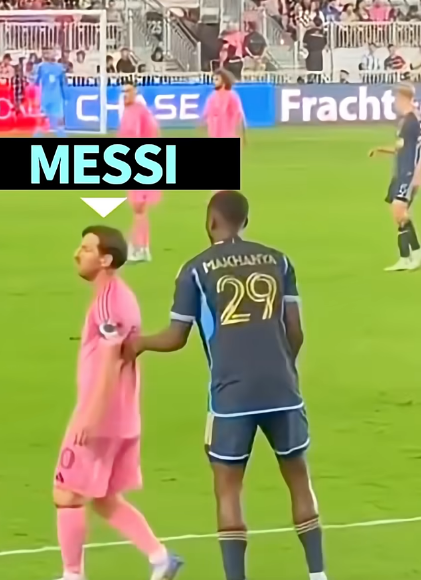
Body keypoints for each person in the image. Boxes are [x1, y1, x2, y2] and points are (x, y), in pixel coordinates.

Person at [124, 191, 328, 580]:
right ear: (245, 222)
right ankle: (318, 575)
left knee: (228, 488)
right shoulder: (279, 260)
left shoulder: (195, 270)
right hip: (283, 389)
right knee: (299, 479)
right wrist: (283, 367)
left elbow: (176, 336)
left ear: (211, 221)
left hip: (231, 394)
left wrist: (138, 344)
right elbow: (296, 330)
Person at [53, 225, 182, 580]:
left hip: (102, 416)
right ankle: (160, 557)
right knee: (105, 498)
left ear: (105, 259)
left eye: (86, 249)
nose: (78, 254)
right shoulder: (116, 296)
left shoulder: (111, 301)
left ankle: (72, 575)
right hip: (122, 415)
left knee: (67, 493)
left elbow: (111, 360)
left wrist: (89, 416)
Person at [369, 83, 421, 271]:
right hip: (400, 171)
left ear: (403, 98)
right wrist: (382, 150)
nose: (395, 102)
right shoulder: (407, 120)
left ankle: (413, 255)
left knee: (400, 211)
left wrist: (417, 175)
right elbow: (402, 146)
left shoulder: (412, 121)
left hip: (408, 172)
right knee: (398, 213)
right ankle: (407, 257)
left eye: (396, 98)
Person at [118, 82, 161, 263]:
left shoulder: (139, 112)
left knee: (139, 208)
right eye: (123, 92)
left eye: (128, 91)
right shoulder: (130, 112)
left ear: (135, 92)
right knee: (139, 209)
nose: (125, 95)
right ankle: (141, 247)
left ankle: (139, 248)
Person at [34, 47, 67, 137]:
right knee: (41, 119)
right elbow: (36, 83)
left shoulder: (60, 68)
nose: (50, 54)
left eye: (52, 52)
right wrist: (37, 97)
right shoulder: (41, 67)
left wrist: (65, 96)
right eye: (47, 53)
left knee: (60, 120)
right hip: (45, 97)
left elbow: (63, 83)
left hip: (57, 97)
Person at [203, 69, 245, 141]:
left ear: (224, 81)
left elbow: (239, 115)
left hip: (229, 135)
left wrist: (241, 134)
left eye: (217, 79)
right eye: (214, 79)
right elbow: (207, 114)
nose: (214, 82)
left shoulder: (232, 96)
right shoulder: (212, 97)